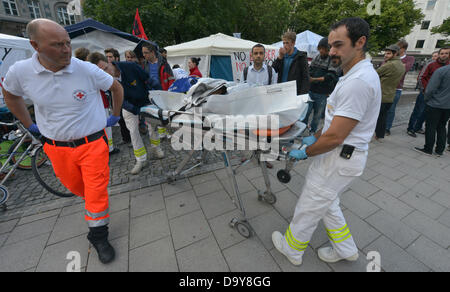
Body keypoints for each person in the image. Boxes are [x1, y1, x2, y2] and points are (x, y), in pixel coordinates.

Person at [1, 19, 124, 264]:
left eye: (67, 43)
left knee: (96, 190)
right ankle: (95, 210)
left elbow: (116, 88)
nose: (66, 49)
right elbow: (11, 96)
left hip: (92, 143)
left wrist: (115, 116)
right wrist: (29, 124)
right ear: (36, 46)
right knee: (80, 189)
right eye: (57, 45)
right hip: (56, 149)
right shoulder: (20, 72)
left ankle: (99, 235)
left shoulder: (85, 69)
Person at [271, 17, 381, 266]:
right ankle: (346, 249)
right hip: (343, 156)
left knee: (310, 204)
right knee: (328, 202)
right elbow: (334, 123)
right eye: (330, 44)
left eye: (338, 45)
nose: (331, 51)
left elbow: (336, 135)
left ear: (360, 42)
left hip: (339, 157)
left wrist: (306, 151)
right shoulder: (354, 74)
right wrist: (315, 135)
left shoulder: (358, 82)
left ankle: (292, 249)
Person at [88, 52, 164, 173]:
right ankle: (141, 159)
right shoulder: (104, 80)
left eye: (106, 68)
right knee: (133, 132)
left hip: (144, 100)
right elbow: (119, 100)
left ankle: (156, 148)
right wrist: (135, 111)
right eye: (101, 72)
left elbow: (149, 80)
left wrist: (161, 94)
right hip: (128, 105)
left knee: (152, 126)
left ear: (109, 62)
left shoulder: (130, 66)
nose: (106, 73)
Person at [239, 43, 278, 168]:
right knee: (248, 132)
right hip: (249, 109)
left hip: (265, 109)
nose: (258, 56)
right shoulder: (245, 71)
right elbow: (240, 89)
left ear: (264, 55)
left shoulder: (271, 71)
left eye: (261, 53)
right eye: (256, 53)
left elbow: (274, 91)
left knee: (265, 135)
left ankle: (265, 158)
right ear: (251, 56)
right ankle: (247, 154)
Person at [302, 37, 340, 134]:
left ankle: (313, 132)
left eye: (324, 49)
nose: (322, 51)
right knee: (306, 112)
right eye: (320, 48)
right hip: (311, 91)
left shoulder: (332, 60)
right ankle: (302, 130)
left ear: (329, 49)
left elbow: (330, 77)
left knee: (317, 116)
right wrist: (307, 76)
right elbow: (310, 70)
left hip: (322, 94)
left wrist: (314, 79)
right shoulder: (317, 57)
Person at [414, 63, 450, 157]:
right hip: (448, 106)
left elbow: (430, 89)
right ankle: (439, 150)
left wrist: (427, 99)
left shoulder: (441, 71)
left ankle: (428, 148)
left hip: (435, 104)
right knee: (442, 126)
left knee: (430, 126)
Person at [142, 43, 175, 139]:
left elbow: (171, 78)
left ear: (152, 52)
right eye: (143, 53)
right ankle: (161, 133)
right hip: (151, 94)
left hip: (164, 93)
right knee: (156, 114)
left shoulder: (164, 63)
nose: (144, 55)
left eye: (146, 53)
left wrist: (170, 92)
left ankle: (168, 131)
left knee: (165, 114)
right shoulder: (144, 64)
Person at [374, 45, 405, 141]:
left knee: (374, 117)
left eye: (388, 53)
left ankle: (368, 135)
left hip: (382, 95)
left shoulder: (389, 65)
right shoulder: (401, 65)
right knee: (383, 117)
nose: (385, 55)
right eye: (385, 53)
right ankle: (379, 135)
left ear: (395, 54)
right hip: (390, 94)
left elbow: (374, 74)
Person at [385, 40, 415, 136]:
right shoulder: (391, 56)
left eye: (399, 47)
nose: (396, 49)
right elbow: (383, 67)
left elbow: (404, 69)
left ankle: (387, 128)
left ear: (403, 49)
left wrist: (392, 65)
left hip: (396, 87)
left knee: (391, 109)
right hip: (384, 86)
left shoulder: (409, 58)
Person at [407, 51, 439, 137]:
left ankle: (418, 127)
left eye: (436, 56)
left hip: (435, 94)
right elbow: (420, 77)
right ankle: (411, 128)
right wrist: (424, 89)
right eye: (433, 56)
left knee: (425, 112)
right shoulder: (429, 65)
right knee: (418, 110)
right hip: (425, 92)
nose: (434, 58)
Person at [105, 48, 131, 145]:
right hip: (114, 98)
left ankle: (132, 137)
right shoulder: (106, 71)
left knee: (127, 118)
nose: (108, 59)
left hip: (126, 97)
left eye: (110, 57)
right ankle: (125, 138)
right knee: (120, 119)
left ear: (116, 58)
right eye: (107, 57)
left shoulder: (124, 68)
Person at [272, 30, 310, 95]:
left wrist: (302, 95)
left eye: (287, 43)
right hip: (281, 91)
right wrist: (280, 57)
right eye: (283, 43)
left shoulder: (301, 57)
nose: (284, 45)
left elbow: (305, 77)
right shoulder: (282, 56)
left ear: (293, 43)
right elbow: (273, 70)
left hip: (294, 93)